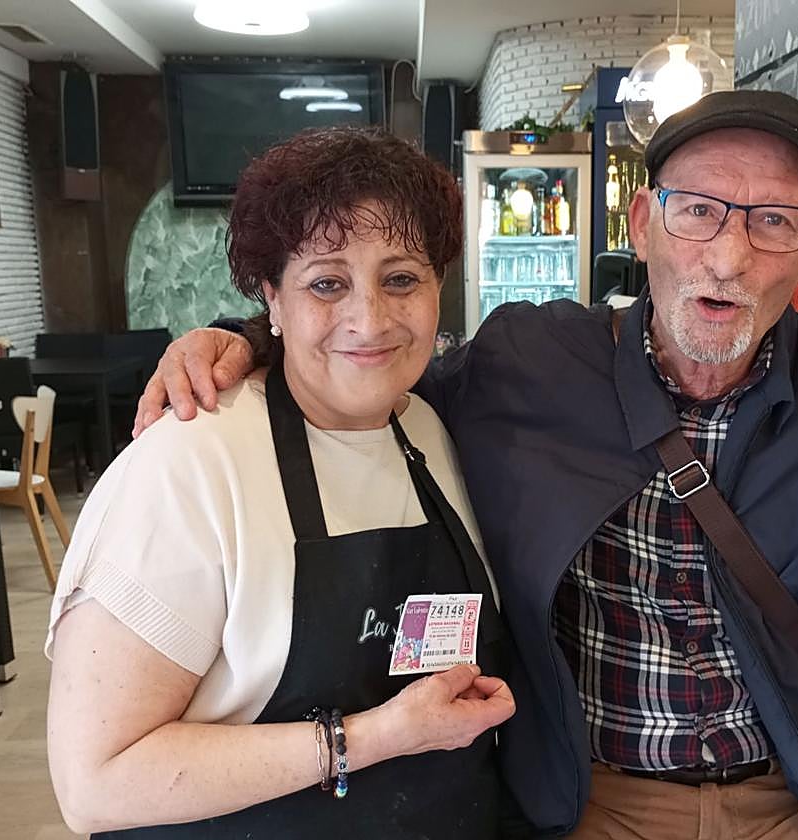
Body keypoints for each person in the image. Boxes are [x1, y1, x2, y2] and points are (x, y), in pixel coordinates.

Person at [133, 92, 798, 840]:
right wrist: (239, 340)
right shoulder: (526, 361)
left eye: (773, 222)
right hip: (590, 803)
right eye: (698, 213)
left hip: (794, 798)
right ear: (641, 225)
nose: (726, 257)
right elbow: (373, 356)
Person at [45, 127, 515, 838]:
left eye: (401, 278)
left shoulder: (431, 427)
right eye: (327, 282)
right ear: (272, 296)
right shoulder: (189, 462)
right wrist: (375, 736)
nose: (370, 319)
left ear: (438, 289)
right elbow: (95, 782)